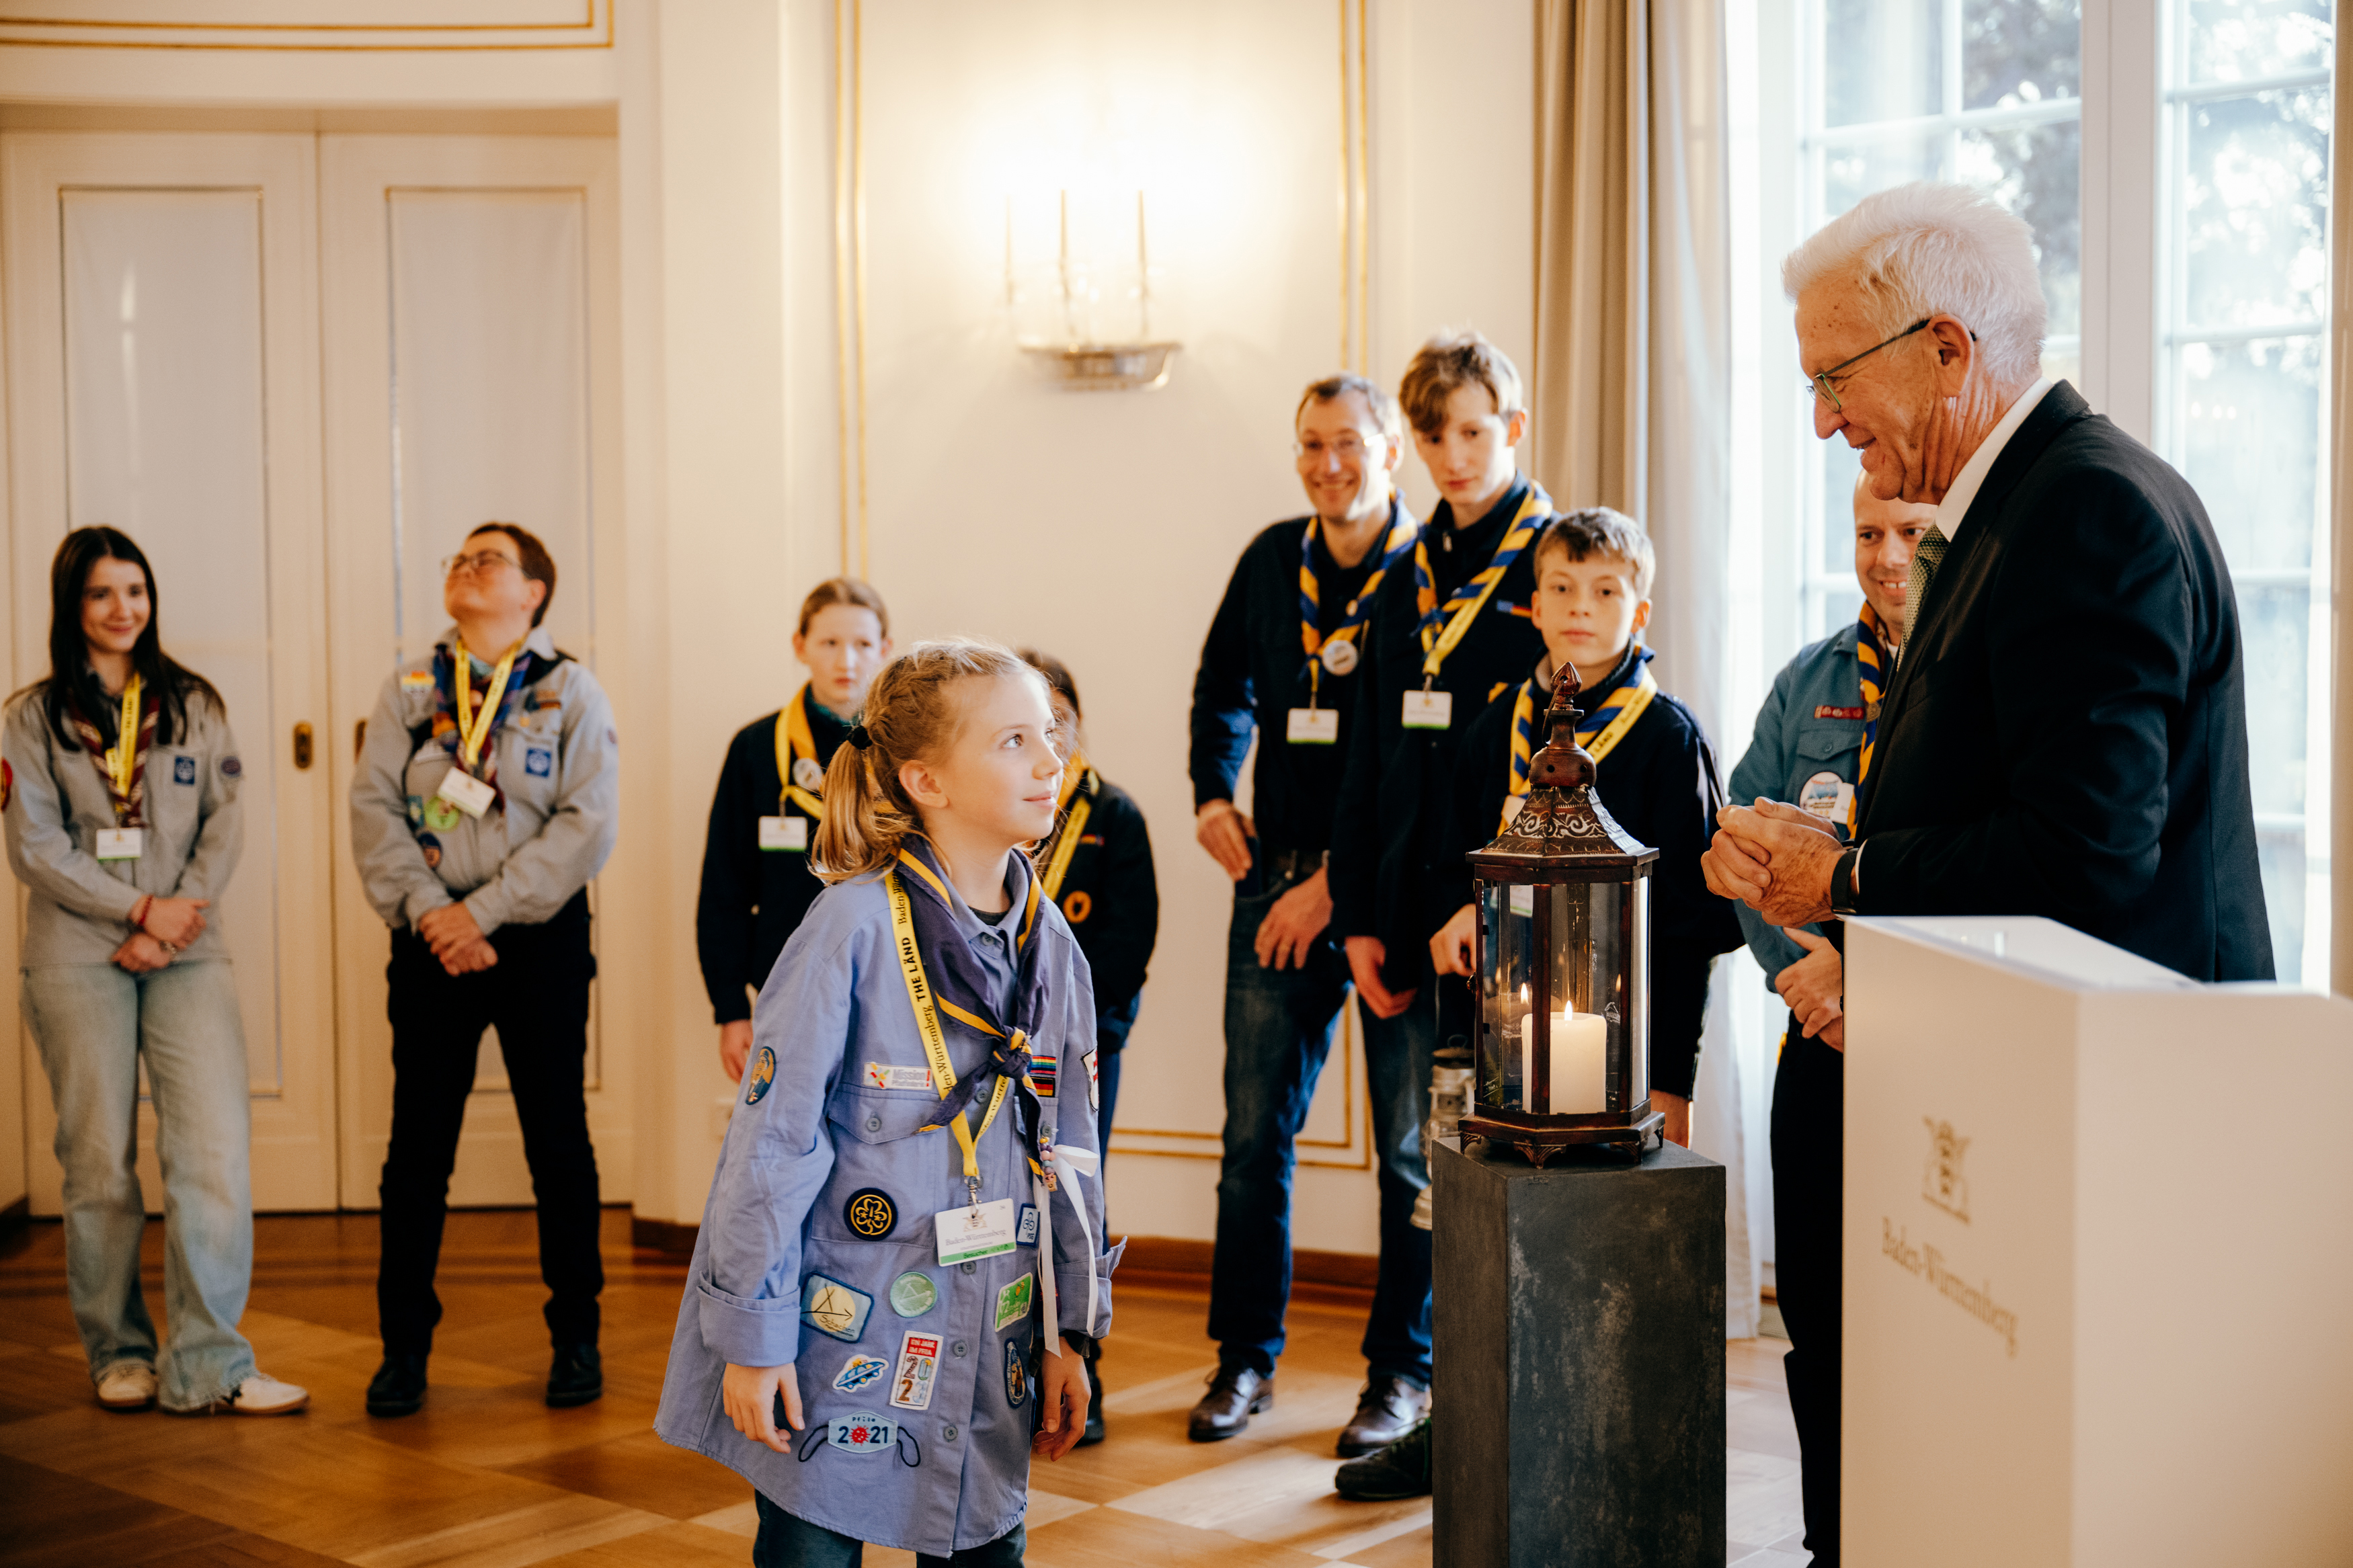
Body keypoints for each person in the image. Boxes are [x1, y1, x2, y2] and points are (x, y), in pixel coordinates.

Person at [1702, 181, 2275, 1567]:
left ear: (1946, 348)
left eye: (1835, 379)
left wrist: (1843, 874)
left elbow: (2087, 852)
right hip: (2021, 1087)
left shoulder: (2084, 512)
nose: (1826, 422)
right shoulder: (2018, 505)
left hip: (2107, 1106)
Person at [654, 639, 1117, 1567]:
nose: (1051, 759)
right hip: (840, 1340)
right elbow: (771, 1149)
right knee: (812, 1546)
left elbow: (1071, 1153)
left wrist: (1069, 1332)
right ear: (926, 781)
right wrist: (754, 1340)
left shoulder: (1053, 945)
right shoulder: (850, 927)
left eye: (1050, 735)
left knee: (986, 1543)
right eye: (1014, 741)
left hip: (991, 1333)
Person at [1335, 508, 1744, 1501]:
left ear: (1639, 610)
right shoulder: (1496, 727)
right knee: (1474, 1226)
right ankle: (1455, 1425)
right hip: (1497, 1042)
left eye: (1605, 591)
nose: (1580, 608)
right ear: (1531, 603)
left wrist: (1667, 1075)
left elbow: (1693, 927)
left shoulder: (1666, 736)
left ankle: (1598, 1454)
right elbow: (1447, 854)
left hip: (1618, 1059)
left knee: (1600, 1246)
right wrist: (1449, 911)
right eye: (1561, 587)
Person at [1, 527, 309, 1417]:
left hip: (187, 948)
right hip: (78, 952)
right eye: (101, 593)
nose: (122, 608)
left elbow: (226, 821)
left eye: (134, 590)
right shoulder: (29, 717)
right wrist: (138, 908)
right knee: (98, 1161)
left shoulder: (193, 703)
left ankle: (210, 1362)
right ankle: (120, 1352)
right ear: (73, 605)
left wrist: (171, 922)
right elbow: (35, 846)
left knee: (211, 1152)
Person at [1185, 372, 1429, 1455]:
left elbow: (1427, 750)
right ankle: (1243, 1359)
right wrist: (1211, 793)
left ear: (1392, 451)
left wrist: (1334, 882)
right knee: (1253, 1139)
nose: (1329, 465)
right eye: (1311, 445)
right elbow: (1220, 685)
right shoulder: (1269, 557)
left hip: (1389, 890)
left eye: (1349, 444)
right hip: (1271, 878)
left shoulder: (1430, 571)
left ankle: (1402, 1375)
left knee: (1412, 1152)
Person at [1322, 333, 1552, 1453]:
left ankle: (1508, 1380)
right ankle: (1399, 1376)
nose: (1454, 455)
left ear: (1513, 428)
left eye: (1474, 430)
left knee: (1506, 1155)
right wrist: (1360, 917)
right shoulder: (1406, 570)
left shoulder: (1555, 561)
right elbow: (1366, 752)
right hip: (1408, 915)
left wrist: (1493, 894)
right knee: (1416, 1153)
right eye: (1434, 435)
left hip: (1514, 919)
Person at [351, 522, 621, 1419]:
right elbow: (373, 808)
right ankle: (402, 1347)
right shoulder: (410, 688)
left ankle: (576, 1334)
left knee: (558, 1142)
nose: (466, 567)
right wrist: (436, 913)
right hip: (431, 940)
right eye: (458, 559)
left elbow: (587, 824)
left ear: (534, 591)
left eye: (488, 559)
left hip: (538, 941)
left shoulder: (571, 690)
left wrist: (485, 911)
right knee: (417, 1151)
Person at [1016, 646, 1156, 1445]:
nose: (1046, 735)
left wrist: (1074, 1034)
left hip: (1079, 1055)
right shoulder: (990, 809)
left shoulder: (1115, 814)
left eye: (1057, 718)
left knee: (1073, 1200)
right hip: (995, 1052)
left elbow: (1127, 949)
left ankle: (1080, 1363)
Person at [699, 579, 894, 1084]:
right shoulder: (756, 748)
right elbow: (724, 888)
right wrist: (730, 1007)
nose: (846, 660)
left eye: (863, 644)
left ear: (885, 649)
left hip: (892, 983)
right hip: (785, 983)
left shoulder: (905, 750)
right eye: (829, 642)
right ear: (800, 645)